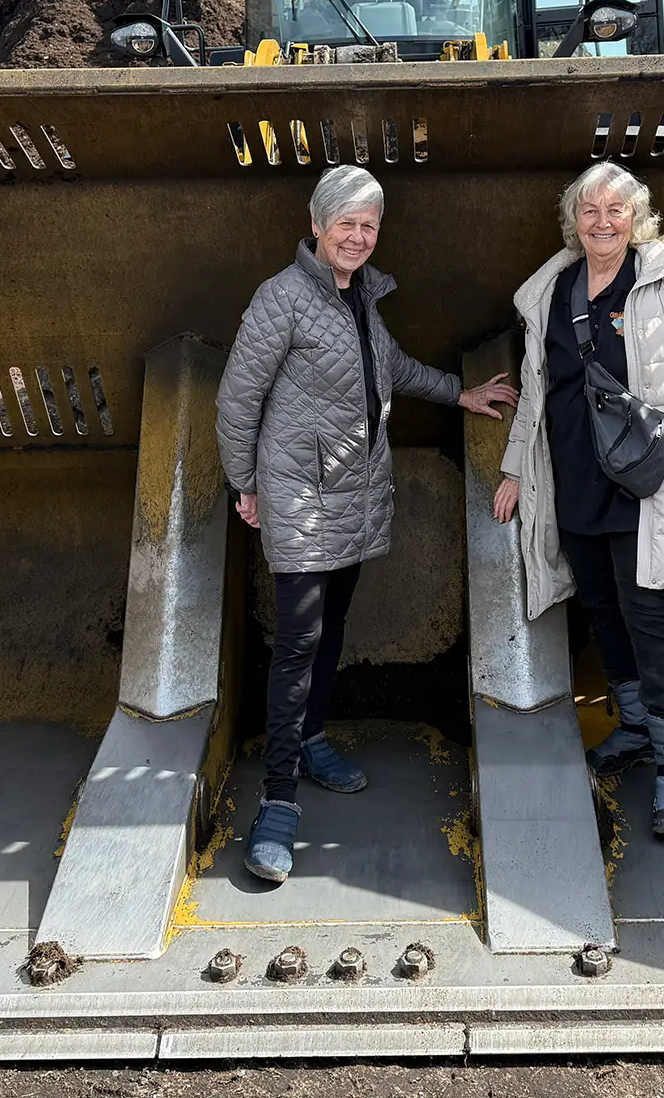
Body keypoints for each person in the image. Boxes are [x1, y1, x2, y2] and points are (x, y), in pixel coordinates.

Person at [216, 165, 518, 884]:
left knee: (331, 630)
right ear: (317, 225)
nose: (357, 236)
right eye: (345, 223)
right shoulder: (281, 299)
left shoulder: (361, 301)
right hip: (296, 495)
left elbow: (392, 371)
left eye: (369, 226)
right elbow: (236, 401)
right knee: (298, 643)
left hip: (351, 494)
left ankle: (313, 737)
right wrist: (245, 484)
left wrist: (461, 394)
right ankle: (279, 803)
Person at [491, 162, 664, 838]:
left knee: (652, 616)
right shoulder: (553, 289)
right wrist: (517, 469)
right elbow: (538, 390)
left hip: (650, 480)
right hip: (574, 475)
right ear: (572, 221)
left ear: (636, 217)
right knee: (603, 607)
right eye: (589, 210)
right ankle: (636, 726)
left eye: (615, 210)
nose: (602, 222)